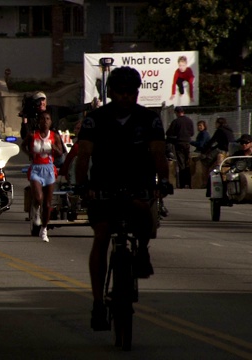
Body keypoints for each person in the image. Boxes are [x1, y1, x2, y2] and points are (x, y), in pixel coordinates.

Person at [75, 66, 171, 331]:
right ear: (111, 92)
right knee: (102, 234)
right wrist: (81, 184)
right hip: (104, 184)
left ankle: (141, 251)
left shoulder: (149, 119)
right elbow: (83, 156)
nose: (126, 97)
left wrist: (163, 182)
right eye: (121, 92)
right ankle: (97, 303)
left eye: (131, 92)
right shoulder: (95, 119)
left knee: (143, 213)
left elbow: (159, 155)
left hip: (138, 182)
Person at [21, 111, 64, 242]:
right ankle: (35, 209)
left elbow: (60, 152)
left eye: (47, 119)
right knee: (38, 198)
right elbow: (22, 146)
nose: (45, 121)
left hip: (49, 169)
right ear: (38, 121)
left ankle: (44, 229)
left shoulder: (54, 136)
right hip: (36, 168)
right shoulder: (32, 135)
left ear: (50, 122)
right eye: (42, 119)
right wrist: (29, 153)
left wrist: (53, 148)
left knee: (48, 204)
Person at [166, 107, 195, 189]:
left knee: (181, 163)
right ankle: (189, 183)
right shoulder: (189, 121)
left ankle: (182, 183)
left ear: (177, 113)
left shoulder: (176, 121)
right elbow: (192, 133)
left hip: (179, 143)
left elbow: (169, 132)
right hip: (187, 143)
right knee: (187, 162)